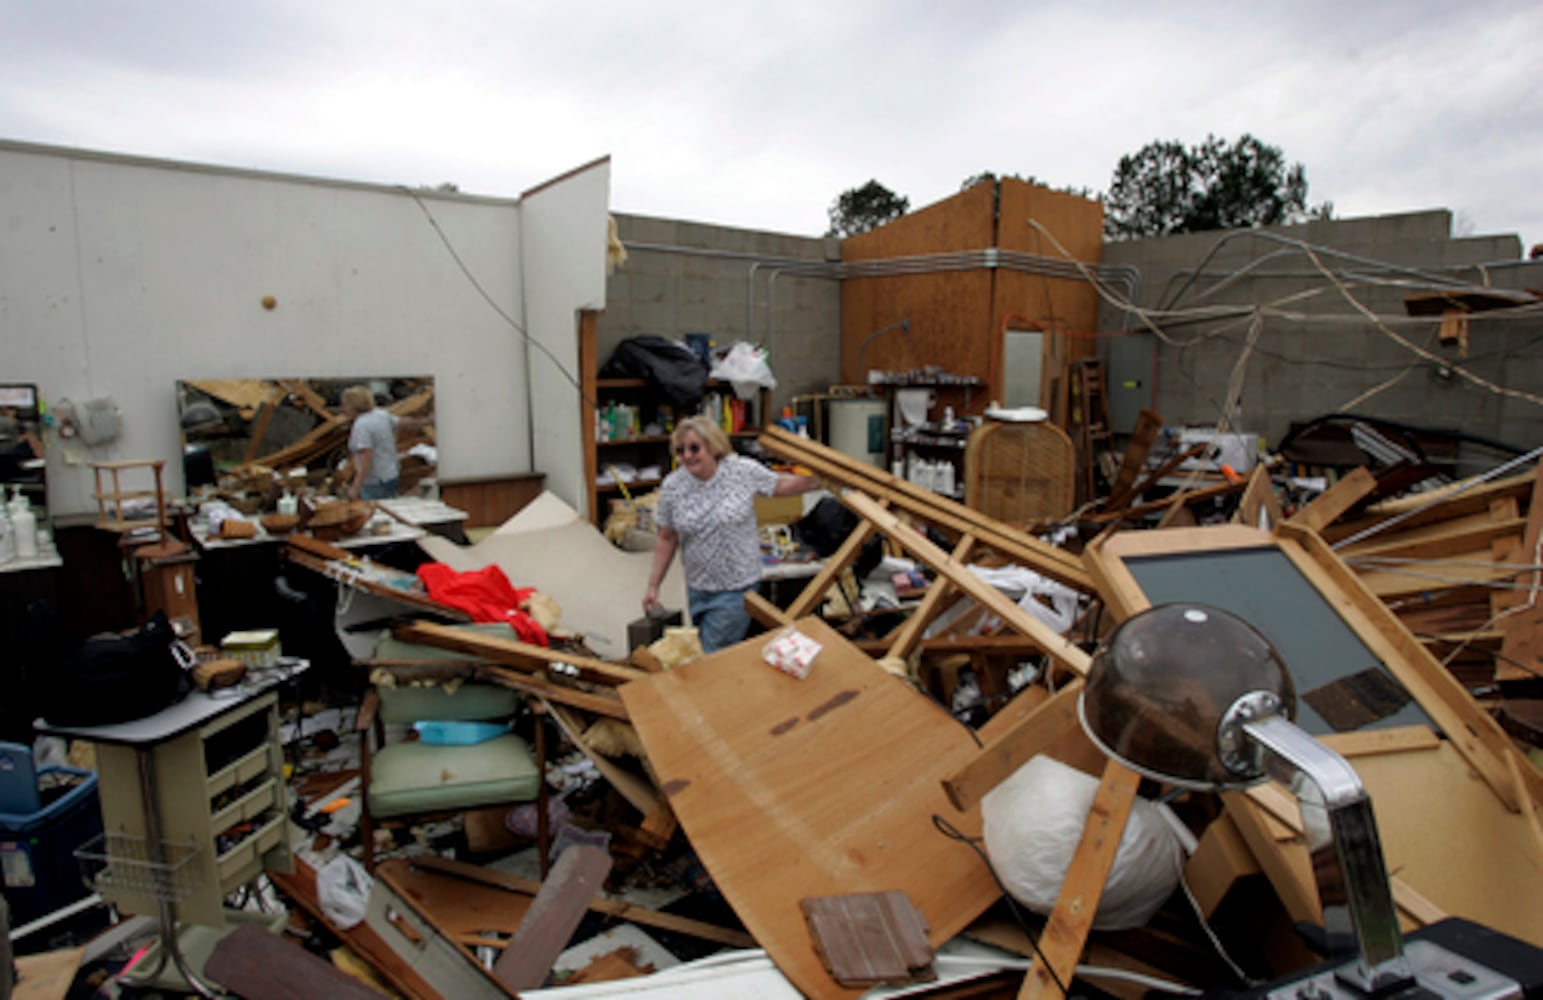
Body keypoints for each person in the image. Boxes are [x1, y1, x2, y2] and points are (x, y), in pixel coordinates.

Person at [644, 414, 819, 653]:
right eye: (680, 450)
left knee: (711, 654)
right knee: (712, 655)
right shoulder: (673, 486)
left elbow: (778, 484)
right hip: (697, 588)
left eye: (694, 448)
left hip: (736, 588)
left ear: (712, 446)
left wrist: (818, 481)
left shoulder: (741, 471)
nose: (687, 456)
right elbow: (667, 537)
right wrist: (654, 586)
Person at [341, 385, 427, 500]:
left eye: (345, 405)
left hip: (375, 481)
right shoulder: (380, 414)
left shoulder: (361, 426)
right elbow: (403, 423)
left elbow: (366, 459)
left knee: (375, 514)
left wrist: (356, 487)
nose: (344, 409)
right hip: (391, 474)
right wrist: (426, 421)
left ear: (353, 405)